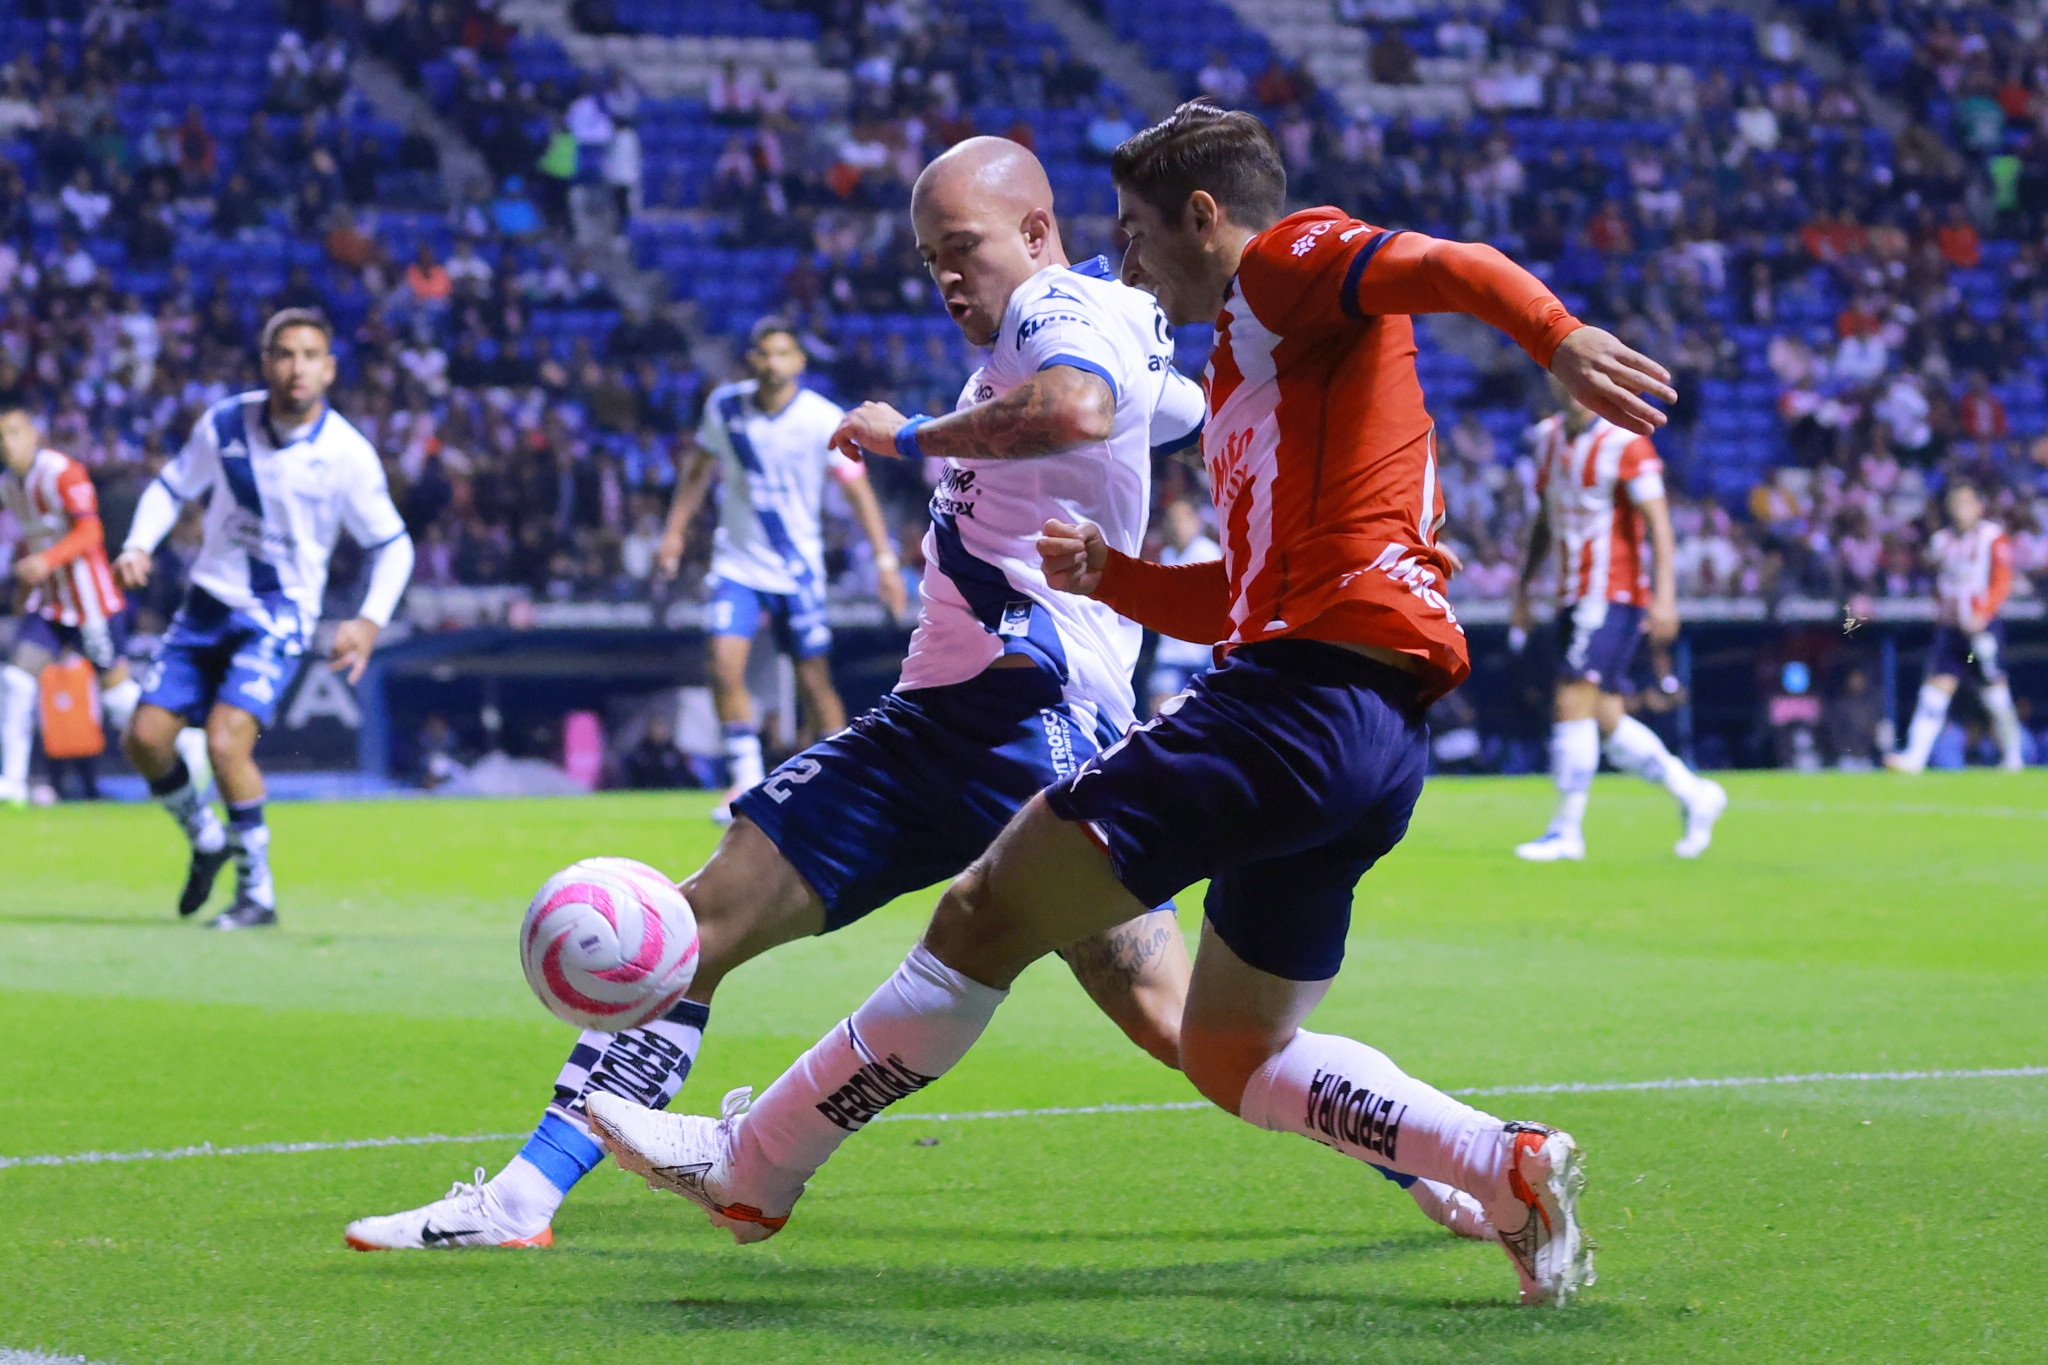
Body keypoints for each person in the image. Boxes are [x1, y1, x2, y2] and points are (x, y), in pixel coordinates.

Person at [586, 102, 1678, 1307]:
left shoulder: (1282, 263)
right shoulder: (1248, 379)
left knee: (984, 910)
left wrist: (1557, 335)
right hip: (1372, 739)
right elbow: (1239, 595)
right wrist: (1122, 582)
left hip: (1289, 708)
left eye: (1136, 231)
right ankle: (1499, 1164)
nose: (1128, 258)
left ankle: (757, 1164)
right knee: (1225, 1049)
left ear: (1203, 218)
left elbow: (1436, 263)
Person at [346, 136, 1364, 1254]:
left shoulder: (1063, 309)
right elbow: (1150, 406)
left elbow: (1077, 408)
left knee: (1183, 1027)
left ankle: (1441, 1161)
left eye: (961, 246)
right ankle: (521, 1200)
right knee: (687, 936)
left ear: (1035, 233)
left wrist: (909, 435)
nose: (944, 275)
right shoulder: (1077, 336)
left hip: (1030, 725)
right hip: (934, 729)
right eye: (930, 256)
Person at [112, 309, 415, 928]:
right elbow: (172, 487)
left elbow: (394, 545)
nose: (296, 366)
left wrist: (369, 619)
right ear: (265, 362)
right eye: (284, 353)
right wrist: (139, 543)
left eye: (309, 354)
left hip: (279, 614)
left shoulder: (347, 455)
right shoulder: (226, 422)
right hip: (206, 603)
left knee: (225, 743)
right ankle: (206, 838)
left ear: (329, 369)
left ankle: (258, 894)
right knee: (144, 740)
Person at [656, 318, 907, 820]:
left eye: (782, 354)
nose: (773, 364)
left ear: (799, 362)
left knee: (813, 679)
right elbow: (698, 470)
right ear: (752, 359)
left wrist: (885, 562)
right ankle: (746, 781)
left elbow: (856, 489)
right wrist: (675, 531)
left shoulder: (820, 418)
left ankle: (842, 780)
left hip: (797, 569)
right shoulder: (724, 408)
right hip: (738, 564)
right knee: (722, 662)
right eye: (764, 354)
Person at [1509, 377, 1726, 861]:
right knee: (1603, 714)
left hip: (1615, 594)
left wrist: (1665, 597)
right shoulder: (1545, 439)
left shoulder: (1625, 444)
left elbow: (1660, 525)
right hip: (1572, 595)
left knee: (1571, 698)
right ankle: (1694, 793)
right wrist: (1523, 590)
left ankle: (1566, 830)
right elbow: (1545, 520)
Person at [0, 396, 206, 806]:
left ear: (34, 434)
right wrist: (28, 587)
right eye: (1, 436)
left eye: (14, 432)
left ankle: (186, 746)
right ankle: (13, 785)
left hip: (91, 605)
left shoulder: (62, 472)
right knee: (16, 681)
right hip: (51, 605)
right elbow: (33, 541)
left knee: (116, 698)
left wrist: (46, 561)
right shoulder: (9, 485)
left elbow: (90, 532)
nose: (7, 443)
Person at [1887, 481, 2024, 772]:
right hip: (1950, 631)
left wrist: (1983, 613)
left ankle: (2013, 756)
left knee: (1994, 691)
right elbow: (1939, 583)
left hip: (1981, 628)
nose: (1961, 510)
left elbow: (2002, 580)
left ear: (1977, 506)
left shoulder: (1992, 536)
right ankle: (1915, 757)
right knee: (1935, 689)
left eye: (1966, 503)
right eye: (1956, 504)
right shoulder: (1941, 541)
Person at [1144, 499, 1221, 716]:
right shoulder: (1167, 556)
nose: (1176, 525)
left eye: (1182, 519)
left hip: (1204, 656)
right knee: (1160, 715)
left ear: (1195, 522)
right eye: (1172, 520)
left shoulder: (1208, 553)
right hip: (1171, 654)